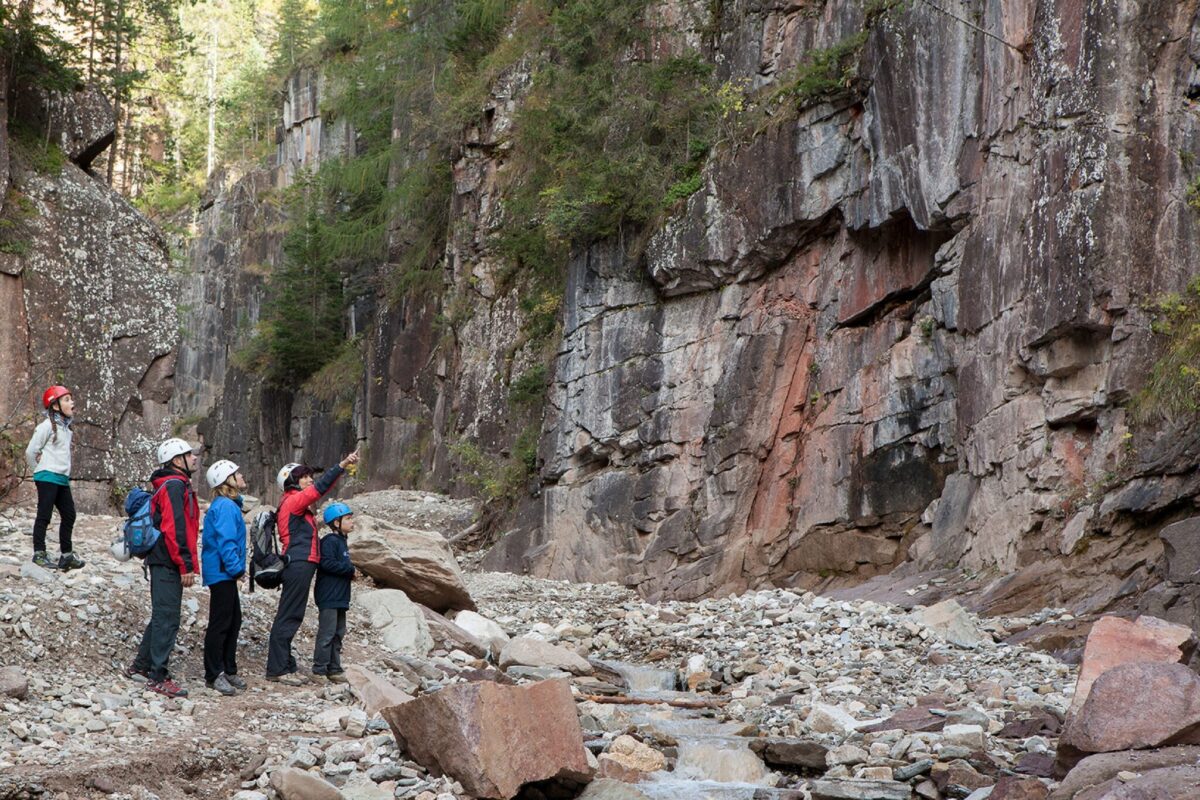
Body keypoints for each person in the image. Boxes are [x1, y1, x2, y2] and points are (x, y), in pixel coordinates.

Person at [265, 450, 359, 684]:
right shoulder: (293, 500)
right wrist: (342, 464)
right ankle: (278, 668)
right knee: (289, 615)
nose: (309, 480)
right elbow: (320, 489)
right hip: (298, 563)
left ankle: (284, 664)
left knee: (292, 613)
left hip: (300, 563)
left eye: (308, 476)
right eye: (303, 477)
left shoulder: (295, 506)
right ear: (292, 482)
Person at [126, 438, 200, 698]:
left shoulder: (171, 485)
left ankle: (141, 666)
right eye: (188, 455)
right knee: (168, 619)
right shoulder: (174, 486)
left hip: (161, 560)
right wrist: (186, 565)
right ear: (176, 461)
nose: (194, 458)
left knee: (161, 615)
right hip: (168, 561)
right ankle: (158, 676)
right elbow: (175, 528)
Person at [201, 459, 248, 697]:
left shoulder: (228, 505)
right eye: (237, 473)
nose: (241, 477)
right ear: (227, 480)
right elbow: (226, 542)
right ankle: (214, 674)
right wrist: (237, 569)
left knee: (233, 620)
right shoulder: (226, 508)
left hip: (223, 571)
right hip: (222, 572)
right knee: (221, 623)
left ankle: (228, 669)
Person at [25, 385, 83, 571]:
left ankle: (66, 555)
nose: (71, 402)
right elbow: (31, 451)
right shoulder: (46, 426)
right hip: (47, 477)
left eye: (71, 399)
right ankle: (39, 553)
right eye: (66, 400)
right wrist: (38, 472)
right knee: (44, 514)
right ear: (55, 406)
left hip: (61, 479)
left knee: (69, 514)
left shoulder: (66, 428)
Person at [313, 502, 355, 683]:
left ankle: (334, 668)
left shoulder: (342, 542)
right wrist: (350, 570)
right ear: (336, 523)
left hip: (339, 597)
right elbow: (326, 563)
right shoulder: (330, 541)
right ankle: (319, 669)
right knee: (327, 633)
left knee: (338, 633)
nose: (352, 522)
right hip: (329, 596)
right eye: (348, 518)